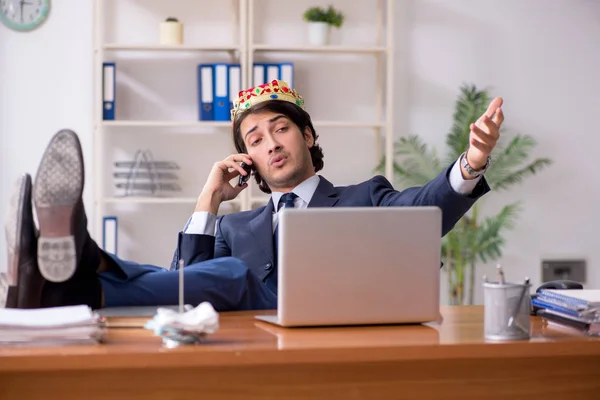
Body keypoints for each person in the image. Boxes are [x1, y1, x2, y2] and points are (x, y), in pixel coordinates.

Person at [2, 80, 503, 310]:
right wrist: (208, 201)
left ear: (307, 136)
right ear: (248, 161)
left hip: (332, 323)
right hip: (254, 332)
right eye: (255, 140)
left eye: (280, 128)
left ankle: (73, 270)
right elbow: (179, 286)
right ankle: (70, 278)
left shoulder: (364, 196)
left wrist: (471, 162)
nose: (271, 143)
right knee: (187, 273)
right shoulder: (236, 226)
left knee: (232, 273)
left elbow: (422, 213)